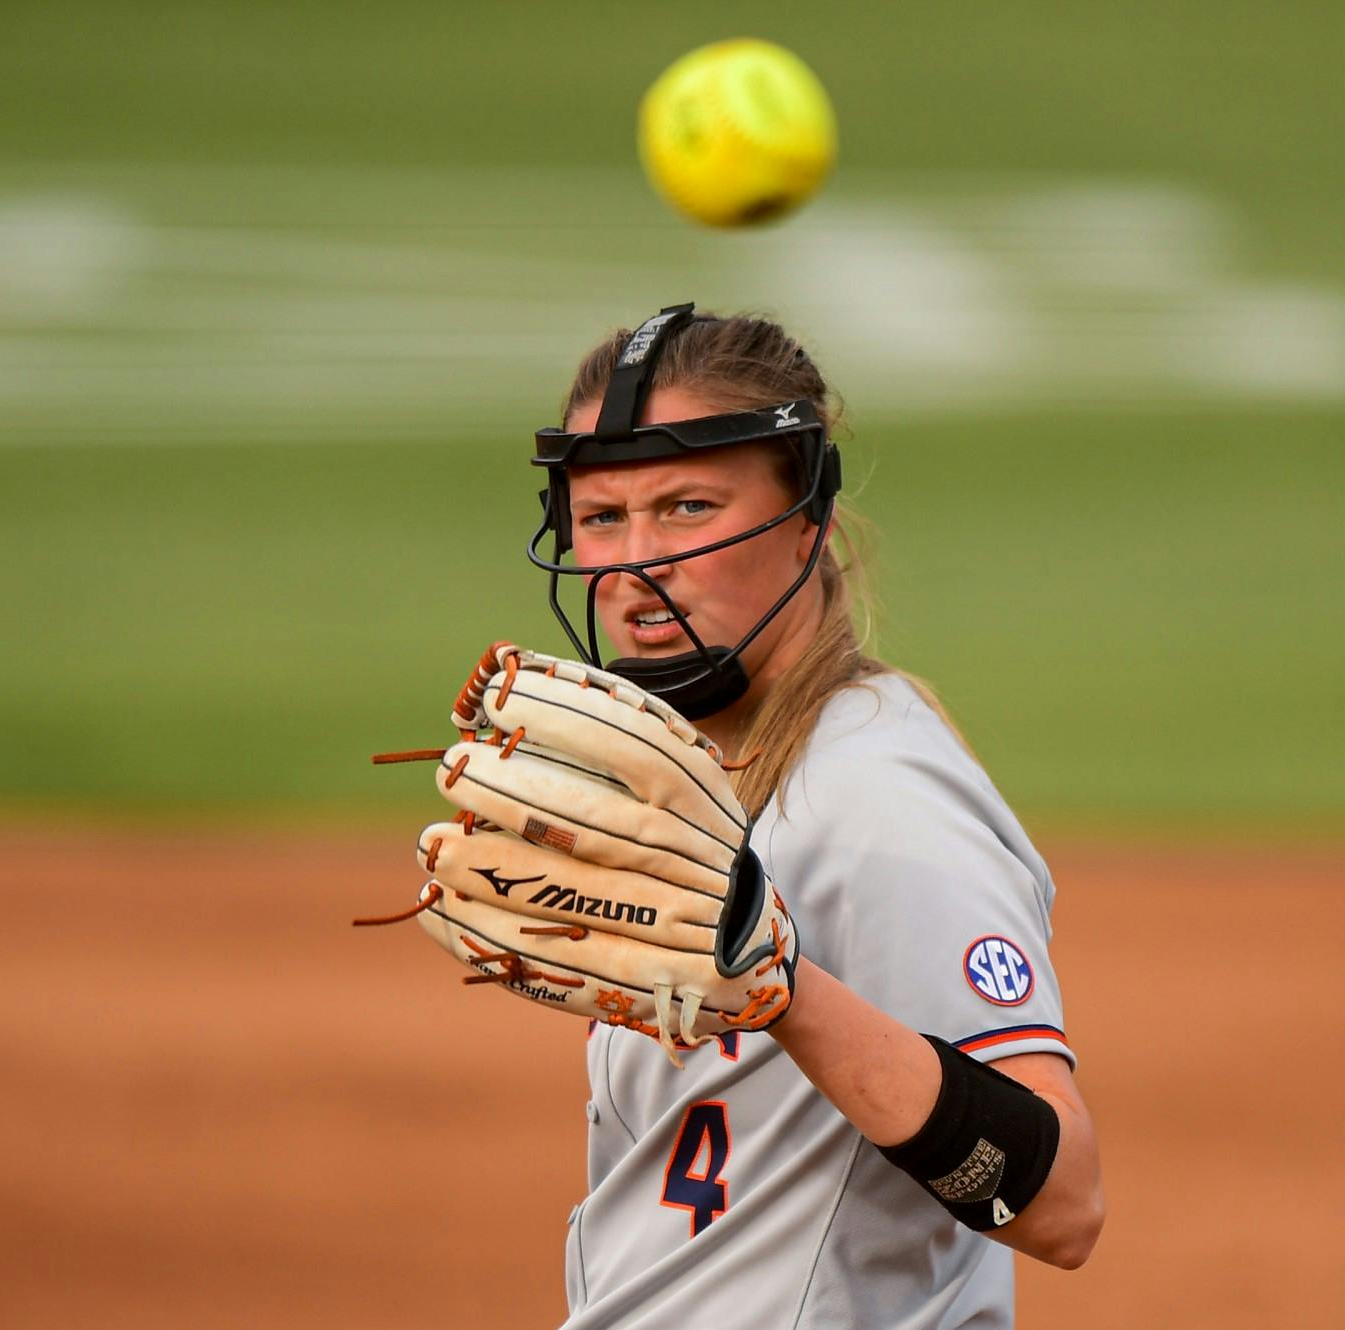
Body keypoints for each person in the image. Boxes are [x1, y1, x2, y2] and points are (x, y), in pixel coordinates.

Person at [414, 304, 1103, 1328]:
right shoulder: (694, 790)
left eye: (687, 506)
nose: (633, 563)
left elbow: (1059, 1203)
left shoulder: (874, 791)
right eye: (601, 518)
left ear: (806, 522)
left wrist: (780, 986)